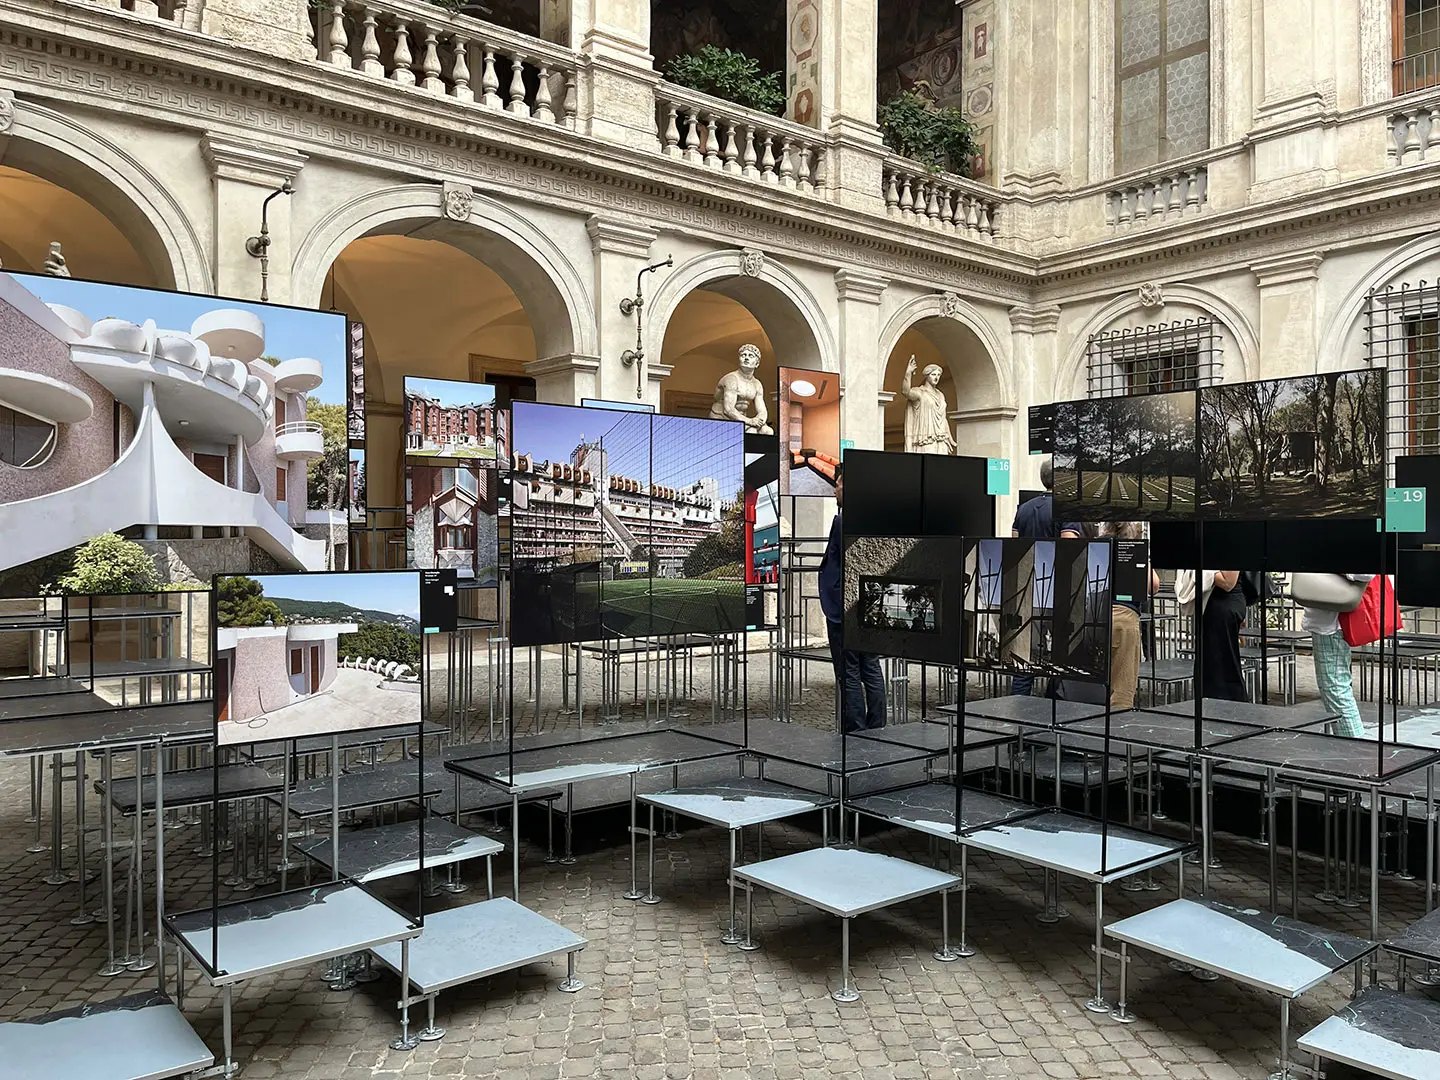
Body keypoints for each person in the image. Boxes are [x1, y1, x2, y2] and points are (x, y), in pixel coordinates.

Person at [818, 463, 886, 731]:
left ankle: (855, 729)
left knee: (848, 672)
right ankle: (877, 724)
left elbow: (837, 566)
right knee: (870, 666)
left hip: (843, 609)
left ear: (847, 484)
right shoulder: (876, 520)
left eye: (837, 484)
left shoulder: (844, 521)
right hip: (868, 606)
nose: (834, 490)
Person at [1009, 458, 1082, 696]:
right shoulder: (1066, 509)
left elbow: (1013, 547)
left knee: (1025, 656)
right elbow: (1071, 549)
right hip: (1056, 590)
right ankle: (1054, 709)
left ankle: (1018, 712)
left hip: (1028, 590)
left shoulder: (1024, 509)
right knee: (1062, 653)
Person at [1300, 575, 1372, 738]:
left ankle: (1353, 746)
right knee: (1335, 687)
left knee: (1335, 688)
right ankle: (1353, 745)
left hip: (1333, 620)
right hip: (1329, 617)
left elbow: (1366, 572)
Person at [1100, 521, 1159, 710]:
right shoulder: (1133, 549)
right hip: (1123, 618)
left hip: (1094, 616)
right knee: (1122, 690)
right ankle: (1118, 732)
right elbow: (1154, 585)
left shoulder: (1096, 545)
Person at [1201, 570, 1249, 702]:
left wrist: (1199, 568)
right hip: (1215, 604)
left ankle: (1231, 711)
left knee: (1223, 669)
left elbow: (1228, 583)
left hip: (1224, 605)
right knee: (1211, 667)